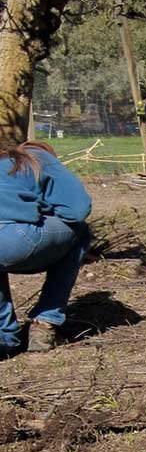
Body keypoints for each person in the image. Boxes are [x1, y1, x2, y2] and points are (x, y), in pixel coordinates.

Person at [0, 139, 91, 357]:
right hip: (14, 241)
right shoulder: (37, 156)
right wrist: (43, 207)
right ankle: (45, 323)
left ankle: (4, 337)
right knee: (81, 231)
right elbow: (79, 208)